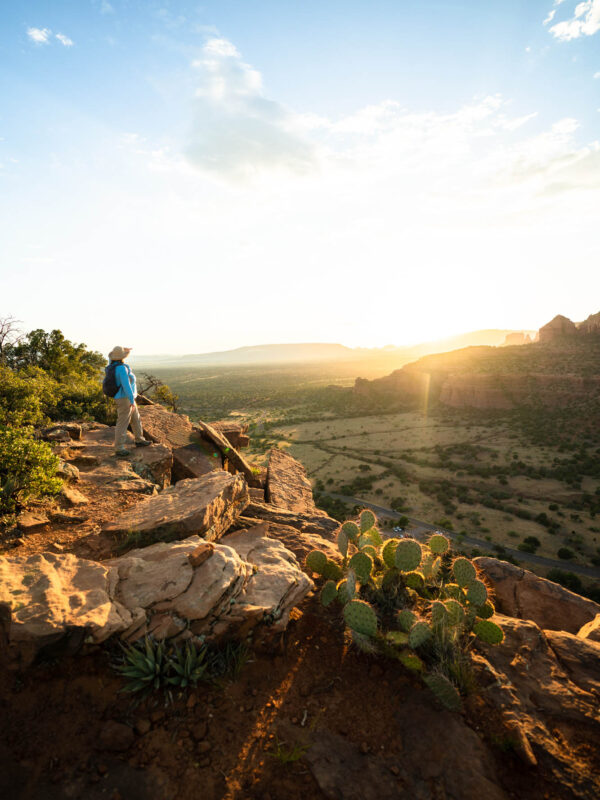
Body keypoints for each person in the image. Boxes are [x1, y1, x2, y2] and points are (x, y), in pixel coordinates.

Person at [107, 346, 151, 457]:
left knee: (136, 418)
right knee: (123, 422)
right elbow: (126, 385)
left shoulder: (111, 366)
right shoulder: (121, 368)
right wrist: (132, 400)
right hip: (125, 398)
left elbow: (111, 357)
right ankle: (119, 448)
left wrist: (124, 350)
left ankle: (139, 439)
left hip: (124, 397)